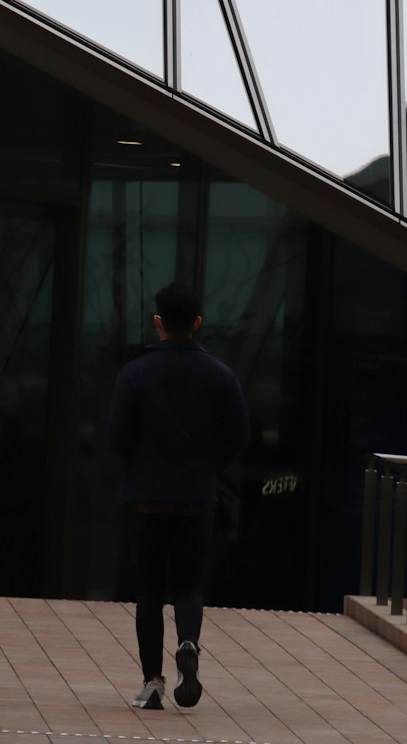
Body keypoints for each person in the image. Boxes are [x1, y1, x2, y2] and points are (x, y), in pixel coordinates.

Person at [106, 282, 249, 711]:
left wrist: (143, 464)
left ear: (158, 322)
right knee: (188, 586)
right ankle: (188, 641)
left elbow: (117, 436)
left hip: (147, 497)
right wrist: (207, 465)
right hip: (197, 497)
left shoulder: (135, 372)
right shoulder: (221, 376)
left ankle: (152, 683)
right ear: (198, 324)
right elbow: (239, 436)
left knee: (150, 591)